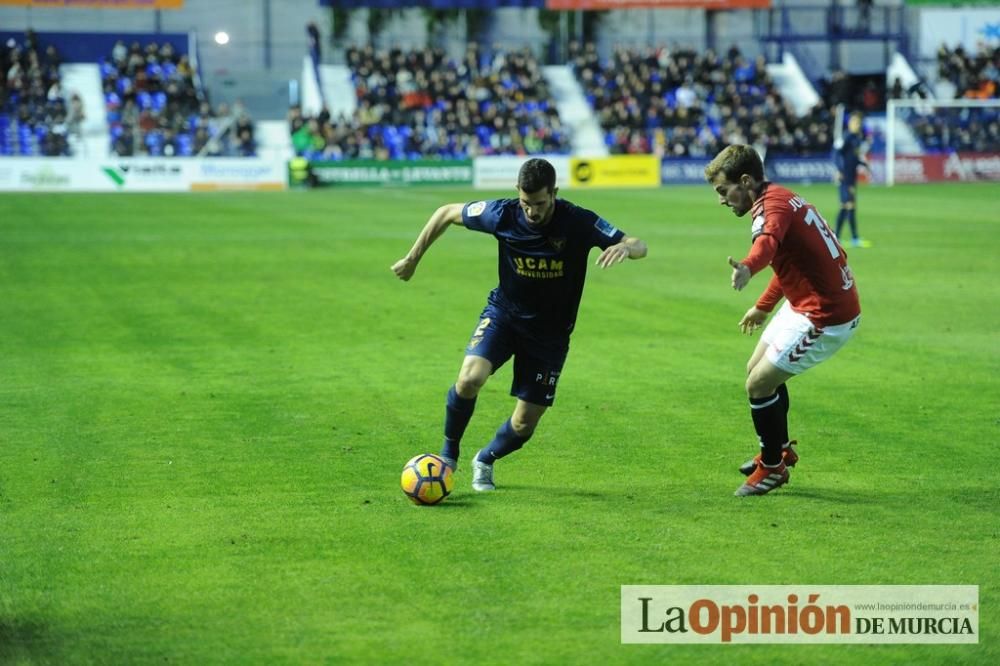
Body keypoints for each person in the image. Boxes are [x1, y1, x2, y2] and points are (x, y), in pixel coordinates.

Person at [391, 158, 647, 491]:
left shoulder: (577, 221)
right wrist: (413, 258)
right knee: (470, 378)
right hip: (504, 316)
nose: (531, 211)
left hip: (550, 335)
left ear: (554, 193)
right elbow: (446, 212)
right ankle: (448, 456)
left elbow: (638, 243)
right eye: (526, 203)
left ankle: (485, 458)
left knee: (525, 423)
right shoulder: (503, 213)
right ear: (517, 193)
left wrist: (626, 248)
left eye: (539, 204)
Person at [704, 145, 861, 497]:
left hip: (826, 314)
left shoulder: (770, 208)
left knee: (759, 384)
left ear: (746, 181)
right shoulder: (782, 197)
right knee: (756, 370)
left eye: (723, 191)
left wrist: (747, 266)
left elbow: (767, 245)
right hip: (805, 302)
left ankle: (773, 467)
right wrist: (762, 306)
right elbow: (790, 262)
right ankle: (778, 448)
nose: (722, 200)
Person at [833, 111, 871, 248]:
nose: (857, 125)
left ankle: (840, 237)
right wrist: (839, 169)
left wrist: (863, 164)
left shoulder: (857, 138)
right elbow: (835, 153)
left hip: (851, 176)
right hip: (844, 176)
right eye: (855, 122)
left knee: (848, 206)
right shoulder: (846, 136)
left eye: (859, 123)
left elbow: (853, 158)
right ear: (849, 123)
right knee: (848, 205)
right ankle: (849, 238)